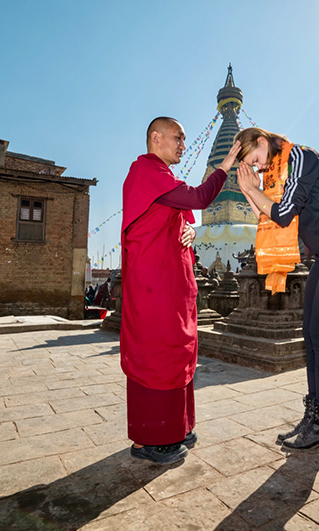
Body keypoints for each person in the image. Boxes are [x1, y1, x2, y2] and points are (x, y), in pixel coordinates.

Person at [234, 127, 319, 450]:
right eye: (252, 167)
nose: (258, 168)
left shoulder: (299, 158)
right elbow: (269, 220)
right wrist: (248, 190)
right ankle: (313, 416)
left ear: (263, 143)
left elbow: (281, 214)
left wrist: (253, 191)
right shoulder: (276, 173)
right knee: (310, 334)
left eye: (255, 159)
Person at [120, 116, 240, 464]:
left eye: (186, 140)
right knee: (157, 355)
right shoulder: (146, 173)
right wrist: (226, 165)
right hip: (154, 287)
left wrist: (190, 230)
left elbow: (178, 214)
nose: (183, 146)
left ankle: (177, 426)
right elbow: (201, 197)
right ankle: (150, 439)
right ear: (156, 138)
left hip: (171, 285)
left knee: (178, 352)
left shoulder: (163, 179)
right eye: (178, 138)